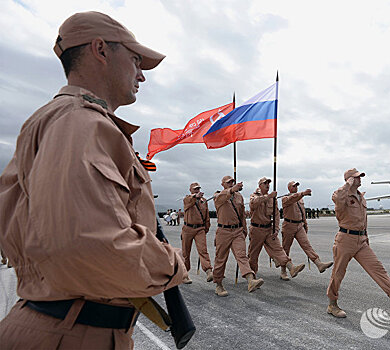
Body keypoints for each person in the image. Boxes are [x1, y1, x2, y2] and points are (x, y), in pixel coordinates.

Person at [0, 11, 187, 348]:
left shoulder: (56, 119)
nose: (141, 75)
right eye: (135, 60)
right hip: (73, 333)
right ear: (100, 50)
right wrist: (172, 262)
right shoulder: (80, 123)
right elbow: (90, 243)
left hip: (62, 324)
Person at [326, 168, 390, 318]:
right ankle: (332, 305)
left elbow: (363, 221)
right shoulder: (341, 195)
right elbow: (337, 198)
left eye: (360, 177)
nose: (360, 179)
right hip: (345, 239)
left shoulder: (361, 197)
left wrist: (366, 239)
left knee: (378, 269)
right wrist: (347, 184)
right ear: (349, 180)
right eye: (356, 177)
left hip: (361, 240)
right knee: (338, 273)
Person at [212, 176, 264, 296]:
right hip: (223, 231)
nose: (231, 184)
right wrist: (232, 190)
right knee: (221, 258)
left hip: (237, 231)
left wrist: (244, 230)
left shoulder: (239, 197)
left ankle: (251, 280)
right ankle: (219, 284)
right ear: (223, 184)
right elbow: (223, 197)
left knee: (242, 256)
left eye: (232, 182)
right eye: (228, 182)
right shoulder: (219, 196)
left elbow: (241, 215)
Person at [248, 177, 305, 280]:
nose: (267, 185)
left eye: (269, 183)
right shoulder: (254, 196)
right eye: (265, 183)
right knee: (253, 255)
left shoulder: (272, 199)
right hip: (257, 229)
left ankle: (291, 267)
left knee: (278, 249)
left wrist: (276, 228)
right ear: (260, 185)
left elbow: (276, 214)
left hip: (269, 229)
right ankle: (252, 277)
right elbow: (253, 204)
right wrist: (267, 196)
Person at [280, 181, 333, 280]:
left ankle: (319, 264)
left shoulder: (300, 200)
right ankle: (283, 271)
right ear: (289, 188)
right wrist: (302, 194)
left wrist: (305, 224)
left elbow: (302, 212)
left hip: (299, 225)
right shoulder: (285, 198)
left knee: (307, 245)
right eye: (294, 186)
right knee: (286, 249)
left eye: (297, 186)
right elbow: (292, 199)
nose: (296, 187)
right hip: (289, 226)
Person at [181, 182, 213, 284]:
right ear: (190, 190)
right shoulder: (187, 199)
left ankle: (208, 271)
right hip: (188, 229)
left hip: (200, 229)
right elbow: (189, 201)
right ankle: (184, 275)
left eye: (198, 189)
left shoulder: (204, 201)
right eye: (195, 189)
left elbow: (206, 216)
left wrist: (206, 228)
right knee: (186, 253)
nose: (197, 190)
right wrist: (195, 196)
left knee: (203, 250)